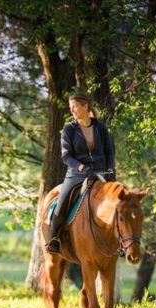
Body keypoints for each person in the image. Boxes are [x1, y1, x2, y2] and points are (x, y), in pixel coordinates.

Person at [46, 92, 115, 254]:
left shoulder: (101, 128)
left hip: (101, 174)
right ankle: (54, 238)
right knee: (62, 200)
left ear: (85, 106)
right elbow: (66, 156)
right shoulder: (68, 129)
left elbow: (109, 151)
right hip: (76, 174)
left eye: (75, 107)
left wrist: (110, 168)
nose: (72, 111)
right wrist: (82, 168)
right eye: (71, 108)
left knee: (120, 200)